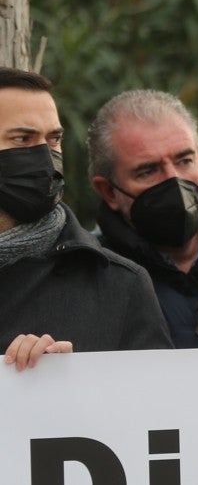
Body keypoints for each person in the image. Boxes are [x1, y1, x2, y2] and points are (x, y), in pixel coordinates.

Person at [0, 68, 171, 370]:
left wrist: (74, 386)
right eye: (22, 138)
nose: (44, 156)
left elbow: (156, 408)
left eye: (53, 140)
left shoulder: (119, 285)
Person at [87, 90, 198, 348]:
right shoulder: (84, 281)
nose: (174, 180)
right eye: (148, 171)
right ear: (108, 191)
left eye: (184, 160)